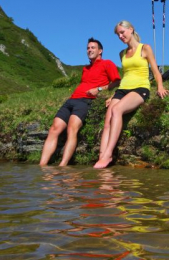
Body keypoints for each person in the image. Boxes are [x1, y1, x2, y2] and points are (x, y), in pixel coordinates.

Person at [94, 20, 168, 169]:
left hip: (140, 88)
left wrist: (160, 86)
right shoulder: (122, 53)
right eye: (118, 34)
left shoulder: (145, 48)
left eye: (122, 32)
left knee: (117, 110)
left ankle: (108, 154)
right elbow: (125, 75)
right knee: (108, 118)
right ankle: (101, 155)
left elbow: (155, 70)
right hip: (123, 89)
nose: (121, 36)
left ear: (131, 30)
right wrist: (113, 95)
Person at [39, 38, 120, 166]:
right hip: (72, 99)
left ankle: (63, 165)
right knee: (54, 128)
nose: (89, 50)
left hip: (86, 101)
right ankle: (42, 166)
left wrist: (98, 89)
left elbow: (116, 81)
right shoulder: (85, 68)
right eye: (88, 48)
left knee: (72, 128)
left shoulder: (107, 63)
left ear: (100, 51)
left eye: (93, 47)